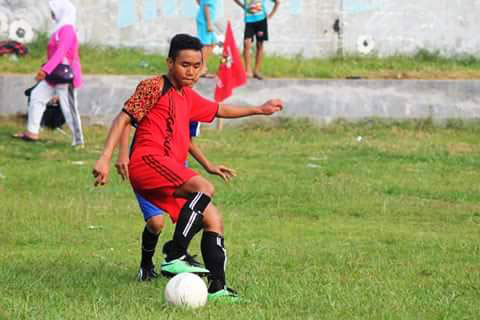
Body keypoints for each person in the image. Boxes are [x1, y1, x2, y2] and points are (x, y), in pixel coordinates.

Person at [92, 34, 283, 300]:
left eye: (196, 65)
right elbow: (123, 118)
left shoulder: (188, 97)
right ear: (170, 62)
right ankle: (175, 253)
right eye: (184, 64)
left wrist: (259, 110)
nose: (190, 71)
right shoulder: (153, 86)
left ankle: (218, 288)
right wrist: (106, 157)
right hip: (148, 162)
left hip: (168, 169)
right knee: (203, 188)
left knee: (213, 218)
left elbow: (219, 110)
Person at [116, 119, 237, 282]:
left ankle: (175, 252)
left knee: (201, 215)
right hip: (148, 167)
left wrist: (209, 166)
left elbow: (188, 141)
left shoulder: (190, 105)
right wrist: (123, 154)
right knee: (155, 223)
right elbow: (126, 119)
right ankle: (146, 266)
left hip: (177, 169)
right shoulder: (155, 96)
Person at [13, 0, 84, 146]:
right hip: (54, 75)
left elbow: (61, 52)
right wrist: (47, 69)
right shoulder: (58, 29)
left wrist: (45, 70)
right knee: (37, 96)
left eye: (53, 10)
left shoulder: (68, 29)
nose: (51, 13)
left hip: (65, 77)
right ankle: (32, 132)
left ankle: (78, 141)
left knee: (69, 109)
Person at [233, 0, 280, 80]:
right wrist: (243, 6)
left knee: (259, 45)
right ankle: (248, 70)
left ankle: (256, 71)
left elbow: (277, 2)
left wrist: (270, 15)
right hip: (249, 21)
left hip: (261, 20)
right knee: (246, 43)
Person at [195, 0, 218, 78]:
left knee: (213, 43)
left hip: (207, 20)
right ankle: (201, 69)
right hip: (205, 21)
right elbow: (206, 7)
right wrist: (209, 24)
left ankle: (203, 68)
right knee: (206, 44)